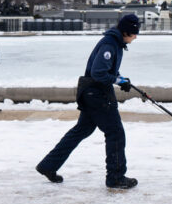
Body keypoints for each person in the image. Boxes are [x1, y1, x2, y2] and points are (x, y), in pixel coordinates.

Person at [36, 14, 140, 190]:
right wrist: (117, 81)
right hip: (98, 94)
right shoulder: (110, 44)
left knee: (80, 131)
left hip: (91, 93)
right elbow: (98, 72)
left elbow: (106, 70)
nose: (136, 37)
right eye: (134, 33)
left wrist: (120, 78)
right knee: (115, 133)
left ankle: (49, 165)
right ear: (126, 32)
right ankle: (115, 177)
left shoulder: (115, 42)